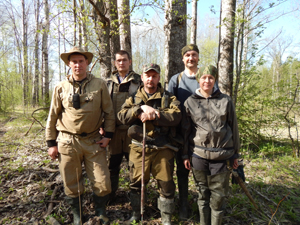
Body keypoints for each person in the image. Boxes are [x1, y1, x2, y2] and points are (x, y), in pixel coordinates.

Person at [45, 46, 115, 225]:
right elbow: (52, 116)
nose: (78, 65)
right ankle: (78, 215)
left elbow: (109, 112)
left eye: (81, 61)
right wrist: (51, 143)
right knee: (72, 183)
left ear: (87, 63)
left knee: (102, 182)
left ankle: (100, 213)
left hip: (93, 141)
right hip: (68, 141)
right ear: (69, 64)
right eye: (74, 62)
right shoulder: (60, 87)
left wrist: (108, 135)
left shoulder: (99, 84)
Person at [117, 63, 181, 225]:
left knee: (166, 184)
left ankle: (166, 218)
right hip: (139, 148)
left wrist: (156, 115)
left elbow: (177, 115)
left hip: (162, 148)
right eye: (147, 75)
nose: (150, 79)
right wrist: (138, 110)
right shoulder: (133, 98)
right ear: (142, 77)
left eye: (154, 76)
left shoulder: (168, 97)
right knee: (136, 183)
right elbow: (122, 116)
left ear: (159, 78)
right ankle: (136, 215)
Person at [181, 65, 240, 225]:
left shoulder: (225, 100)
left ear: (215, 80)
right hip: (198, 156)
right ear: (198, 80)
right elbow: (186, 132)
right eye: (204, 77)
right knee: (202, 194)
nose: (207, 81)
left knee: (218, 197)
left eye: (210, 78)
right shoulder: (190, 102)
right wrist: (185, 154)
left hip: (222, 156)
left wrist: (236, 154)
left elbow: (233, 127)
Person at [168, 44, 200, 220]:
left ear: (198, 57)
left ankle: (204, 205)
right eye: (187, 55)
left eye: (193, 55)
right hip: (180, 134)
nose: (190, 58)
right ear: (182, 58)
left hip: (202, 134)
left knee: (202, 171)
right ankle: (183, 206)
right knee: (181, 170)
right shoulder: (176, 79)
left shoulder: (206, 77)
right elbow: (169, 106)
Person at [105, 50, 141, 201]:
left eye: (124, 60)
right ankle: (110, 196)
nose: (121, 63)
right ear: (115, 63)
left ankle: (135, 199)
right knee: (112, 166)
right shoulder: (107, 82)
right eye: (118, 60)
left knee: (134, 166)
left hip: (132, 132)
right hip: (112, 132)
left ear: (130, 62)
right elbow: (102, 106)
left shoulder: (139, 81)